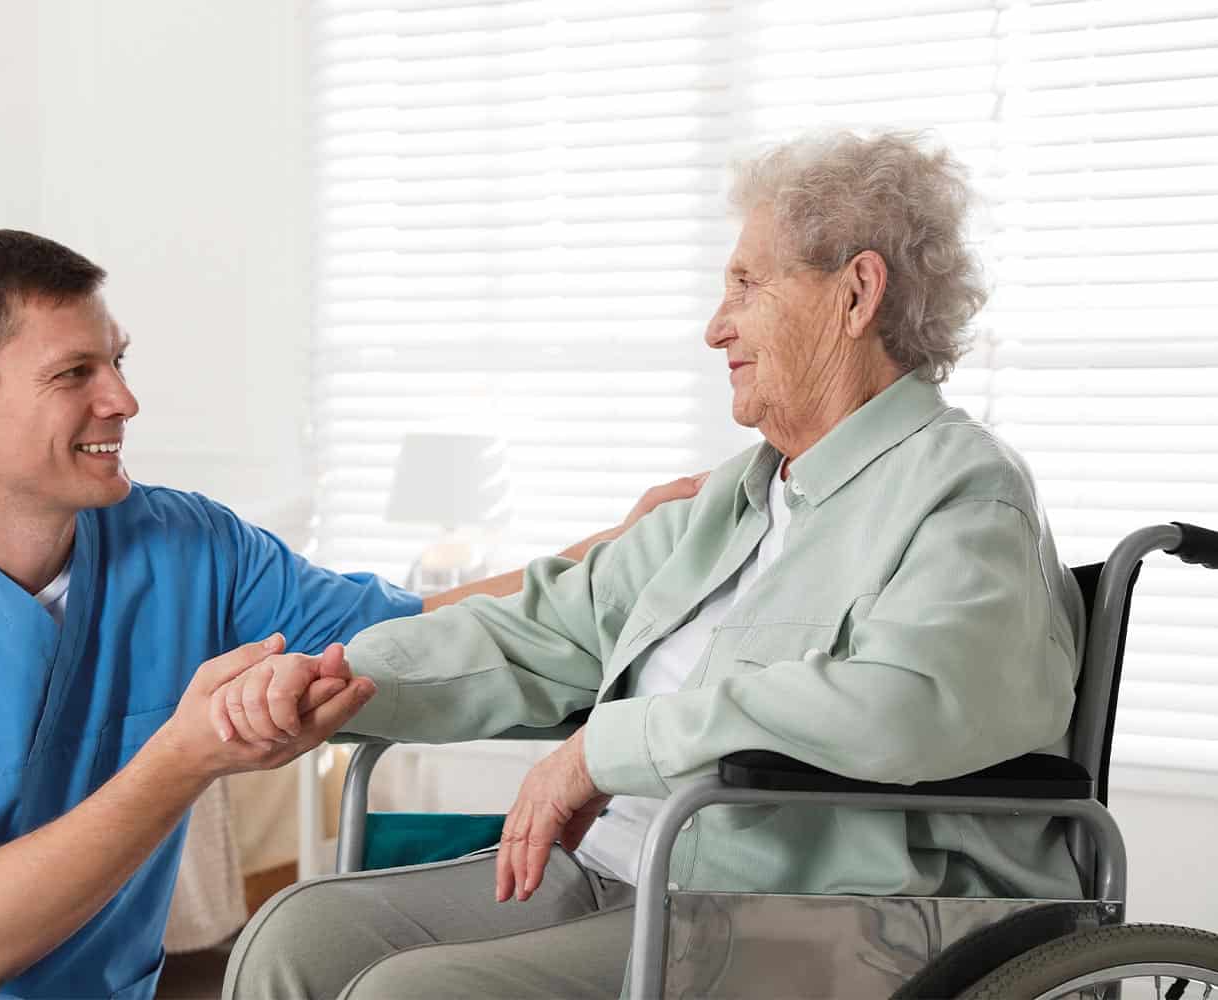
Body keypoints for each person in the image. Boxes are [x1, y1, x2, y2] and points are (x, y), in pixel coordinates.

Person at [221, 130, 1087, 1000]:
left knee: (412, 994)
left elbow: (907, 703)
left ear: (857, 293)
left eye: (748, 284)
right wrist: (334, 682)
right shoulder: (729, 499)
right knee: (297, 938)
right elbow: (542, 628)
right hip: (620, 871)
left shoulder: (965, 492)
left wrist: (609, 747)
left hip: (816, 911)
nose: (716, 328)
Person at [0, 229, 699, 1000]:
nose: (125, 398)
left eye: (116, 360)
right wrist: (183, 756)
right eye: (75, 374)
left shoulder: (186, 545)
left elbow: (414, 626)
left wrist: (611, 551)